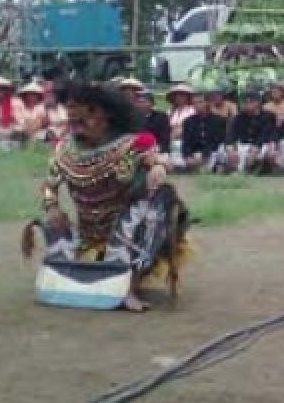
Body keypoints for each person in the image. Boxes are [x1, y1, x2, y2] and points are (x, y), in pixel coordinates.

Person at [32, 80, 188, 312]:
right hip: (88, 231)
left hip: (127, 230)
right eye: (73, 121)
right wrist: (52, 207)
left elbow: (160, 159)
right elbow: (49, 184)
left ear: (106, 116)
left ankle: (129, 285)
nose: (77, 126)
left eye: (84, 119)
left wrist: (159, 167)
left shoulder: (130, 145)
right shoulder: (64, 150)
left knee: (157, 202)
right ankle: (65, 274)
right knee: (52, 223)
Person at [226, 91, 278, 174]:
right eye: (245, 102)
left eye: (250, 102)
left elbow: (265, 134)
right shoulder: (237, 118)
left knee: (271, 154)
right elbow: (230, 136)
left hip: (262, 145)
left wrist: (255, 148)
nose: (247, 105)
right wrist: (231, 150)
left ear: (258, 103)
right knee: (231, 154)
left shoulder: (268, 116)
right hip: (243, 145)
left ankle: (267, 171)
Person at [178, 92, 227, 172]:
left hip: (212, 151)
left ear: (207, 103)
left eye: (200, 102)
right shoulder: (188, 121)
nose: (197, 105)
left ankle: (213, 166)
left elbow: (217, 141)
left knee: (221, 154)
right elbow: (186, 142)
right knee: (179, 162)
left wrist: (203, 154)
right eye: (194, 103)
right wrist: (188, 156)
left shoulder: (219, 120)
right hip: (194, 153)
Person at [0, 76, 27, 144]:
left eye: (1, 89)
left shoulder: (16, 102)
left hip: (14, 136)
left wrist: (13, 133)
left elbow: (22, 123)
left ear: (6, 90)